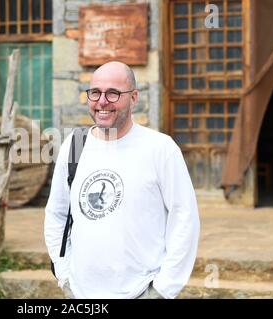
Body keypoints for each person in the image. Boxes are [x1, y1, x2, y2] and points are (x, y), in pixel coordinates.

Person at [44, 61, 200, 299]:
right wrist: (65, 277)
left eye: (113, 93)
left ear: (134, 97)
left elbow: (184, 219)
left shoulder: (160, 149)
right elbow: (56, 213)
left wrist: (162, 290)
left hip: (140, 291)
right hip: (82, 293)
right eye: (95, 92)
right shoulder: (74, 146)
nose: (102, 101)